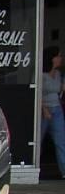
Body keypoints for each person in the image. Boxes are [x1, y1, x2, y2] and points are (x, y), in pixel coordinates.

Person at [40, 46, 65, 178]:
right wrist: (44, 109)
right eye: (58, 56)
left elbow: (58, 92)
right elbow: (37, 93)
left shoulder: (59, 74)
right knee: (38, 142)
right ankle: (35, 169)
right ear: (52, 58)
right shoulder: (41, 75)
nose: (60, 58)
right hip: (44, 111)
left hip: (57, 110)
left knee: (61, 141)